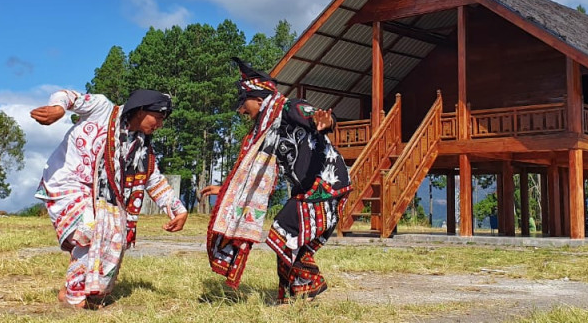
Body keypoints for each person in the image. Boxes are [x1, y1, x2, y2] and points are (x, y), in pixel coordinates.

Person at [204, 57, 351, 303]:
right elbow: (257, 174)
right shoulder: (266, 132)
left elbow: (316, 117)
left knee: (282, 234)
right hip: (306, 191)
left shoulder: (289, 108)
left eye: (243, 102)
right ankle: (297, 297)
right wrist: (225, 189)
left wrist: (324, 122)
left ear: (260, 100)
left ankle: (311, 284)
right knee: (289, 243)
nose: (241, 110)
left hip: (325, 185)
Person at [32, 89, 188, 309]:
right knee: (91, 229)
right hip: (66, 181)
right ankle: (73, 297)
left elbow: (152, 178)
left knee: (107, 234)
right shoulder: (102, 108)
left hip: (99, 196)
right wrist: (58, 109)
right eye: (159, 117)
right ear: (142, 109)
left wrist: (177, 209)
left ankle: (74, 290)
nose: (160, 124)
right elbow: (68, 96)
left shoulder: (140, 146)